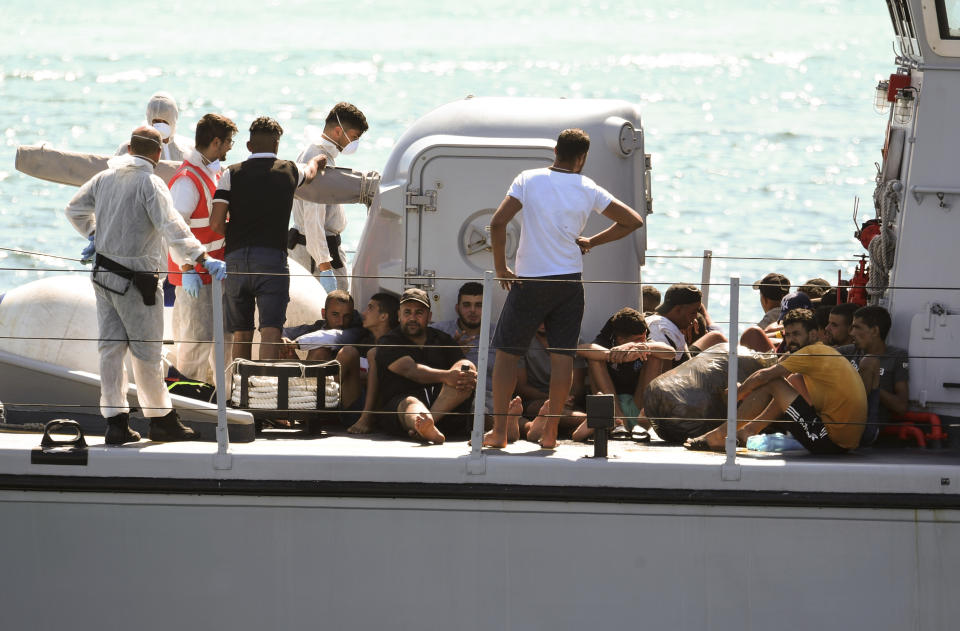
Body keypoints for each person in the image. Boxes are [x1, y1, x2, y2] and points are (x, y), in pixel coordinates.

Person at [65, 126, 227, 445]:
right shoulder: (151, 184)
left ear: (128, 149)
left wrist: (94, 234)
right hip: (138, 283)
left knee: (110, 351)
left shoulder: (104, 179)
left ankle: (115, 422)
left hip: (103, 277)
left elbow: (74, 209)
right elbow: (173, 228)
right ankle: (161, 420)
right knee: (147, 354)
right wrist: (201, 258)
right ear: (156, 153)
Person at [484, 128, 644, 449]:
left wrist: (502, 267)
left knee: (506, 356)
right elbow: (632, 220)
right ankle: (551, 432)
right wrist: (591, 242)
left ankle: (500, 432)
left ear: (555, 150)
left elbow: (498, 223)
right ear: (582, 158)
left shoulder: (528, 179)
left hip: (529, 282)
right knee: (562, 360)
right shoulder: (588, 187)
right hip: (569, 283)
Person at [210, 116, 326, 362]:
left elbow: (216, 223)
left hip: (236, 259)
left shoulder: (231, 174)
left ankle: (239, 393)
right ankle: (263, 389)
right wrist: (317, 160)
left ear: (249, 146)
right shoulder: (289, 170)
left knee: (241, 332)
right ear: (277, 146)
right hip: (272, 261)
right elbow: (311, 172)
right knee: (270, 331)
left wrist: (238, 236)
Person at [684, 308, 866, 454]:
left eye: (796, 334)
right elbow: (784, 369)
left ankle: (720, 435)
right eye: (787, 335)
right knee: (793, 379)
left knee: (773, 382)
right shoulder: (821, 351)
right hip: (843, 441)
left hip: (830, 441)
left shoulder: (810, 353)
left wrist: (737, 394)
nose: (791, 340)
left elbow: (764, 376)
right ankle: (749, 430)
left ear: (813, 335)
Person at [166, 113, 238, 383]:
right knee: (195, 344)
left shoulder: (213, 171)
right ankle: (187, 406)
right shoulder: (187, 181)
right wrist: (187, 269)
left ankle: (223, 401)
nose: (232, 147)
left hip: (215, 273)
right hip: (195, 275)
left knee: (223, 342)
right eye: (229, 141)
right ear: (216, 142)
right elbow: (174, 229)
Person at [374, 288, 477, 444]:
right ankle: (422, 425)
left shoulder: (442, 339)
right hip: (402, 406)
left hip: (443, 408)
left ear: (429, 316)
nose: (413, 318)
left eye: (419, 313)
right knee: (411, 403)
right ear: (399, 316)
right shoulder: (388, 341)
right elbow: (411, 370)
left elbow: (463, 370)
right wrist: (447, 376)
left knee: (466, 366)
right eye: (407, 312)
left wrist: (466, 374)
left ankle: (428, 425)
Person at [288, 102, 369, 292]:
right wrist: (324, 267)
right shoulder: (317, 156)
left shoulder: (322, 154)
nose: (355, 143)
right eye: (354, 137)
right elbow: (313, 217)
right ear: (338, 131)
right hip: (315, 254)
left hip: (321, 248)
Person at [574, 307, 677, 440]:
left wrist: (644, 347)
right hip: (611, 405)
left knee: (655, 357)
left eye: (645, 336)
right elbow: (580, 349)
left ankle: (641, 425)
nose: (643, 340)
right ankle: (618, 421)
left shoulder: (643, 341)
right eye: (639, 339)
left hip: (638, 403)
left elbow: (671, 353)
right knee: (595, 359)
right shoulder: (607, 339)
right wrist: (610, 355)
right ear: (621, 339)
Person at [836, 306, 908, 445]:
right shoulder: (847, 352)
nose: (851, 333)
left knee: (869, 362)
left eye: (857, 327)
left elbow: (901, 406)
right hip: (840, 416)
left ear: (874, 331)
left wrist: (872, 384)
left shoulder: (897, 356)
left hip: (867, 425)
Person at [514, 323, 588, 443]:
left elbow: (578, 386)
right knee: (538, 408)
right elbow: (521, 387)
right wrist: (553, 399)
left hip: (568, 404)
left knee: (563, 416)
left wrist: (566, 399)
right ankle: (595, 421)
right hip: (536, 402)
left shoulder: (572, 340)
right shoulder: (522, 342)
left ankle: (590, 424)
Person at [430, 282, 496, 415]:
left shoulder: (499, 335)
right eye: (467, 305)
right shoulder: (439, 331)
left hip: (488, 397)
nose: (472, 310)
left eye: (479, 305)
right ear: (457, 308)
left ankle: (527, 427)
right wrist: (451, 352)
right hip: (449, 395)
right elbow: (425, 366)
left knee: (489, 413)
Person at [345, 292, 401, 434]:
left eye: (370, 308)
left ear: (384, 316)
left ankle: (367, 418)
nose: (364, 312)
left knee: (374, 353)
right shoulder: (364, 340)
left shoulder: (396, 342)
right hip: (356, 404)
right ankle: (318, 412)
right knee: (347, 352)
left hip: (382, 409)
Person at [646, 284, 725, 369]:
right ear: (678, 310)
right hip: (681, 374)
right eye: (693, 312)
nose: (695, 317)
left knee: (716, 337)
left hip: (685, 361)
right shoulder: (661, 332)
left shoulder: (659, 320)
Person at [116, 92, 191, 162]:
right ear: (149, 120)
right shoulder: (128, 149)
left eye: (165, 122)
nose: (161, 127)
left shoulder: (188, 149)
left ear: (174, 120)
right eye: (156, 122)